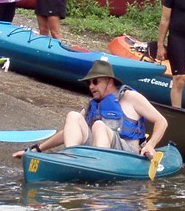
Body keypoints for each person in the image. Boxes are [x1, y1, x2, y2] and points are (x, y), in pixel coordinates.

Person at [15, 58, 169, 158]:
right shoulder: (92, 105)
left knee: (99, 126)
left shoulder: (130, 97)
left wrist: (150, 145)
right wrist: (35, 150)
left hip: (126, 154)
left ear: (109, 81)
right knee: (73, 116)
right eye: (88, 83)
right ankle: (72, 158)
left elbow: (161, 121)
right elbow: (68, 131)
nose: (91, 86)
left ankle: (95, 163)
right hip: (95, 151)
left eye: (95, 82)